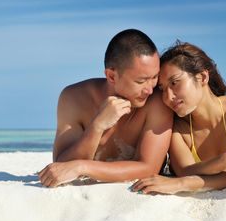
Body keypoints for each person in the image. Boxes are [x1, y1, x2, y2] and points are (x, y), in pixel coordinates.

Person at [38, 29, 173, 187]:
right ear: (111, 76)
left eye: (154, 77)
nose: (150, 89)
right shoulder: (73, 98)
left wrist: (83, 166)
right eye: (141, 81)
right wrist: (97, 126)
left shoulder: (157, 101)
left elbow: (149, 168)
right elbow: (62, 166)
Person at [131, 41, 226, 195]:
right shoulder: (177, 127)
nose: (168, 96)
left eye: (175, 83)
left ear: (202, 77)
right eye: (162, 89)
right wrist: (224, 161)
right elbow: (184, 170)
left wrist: (183, 183)